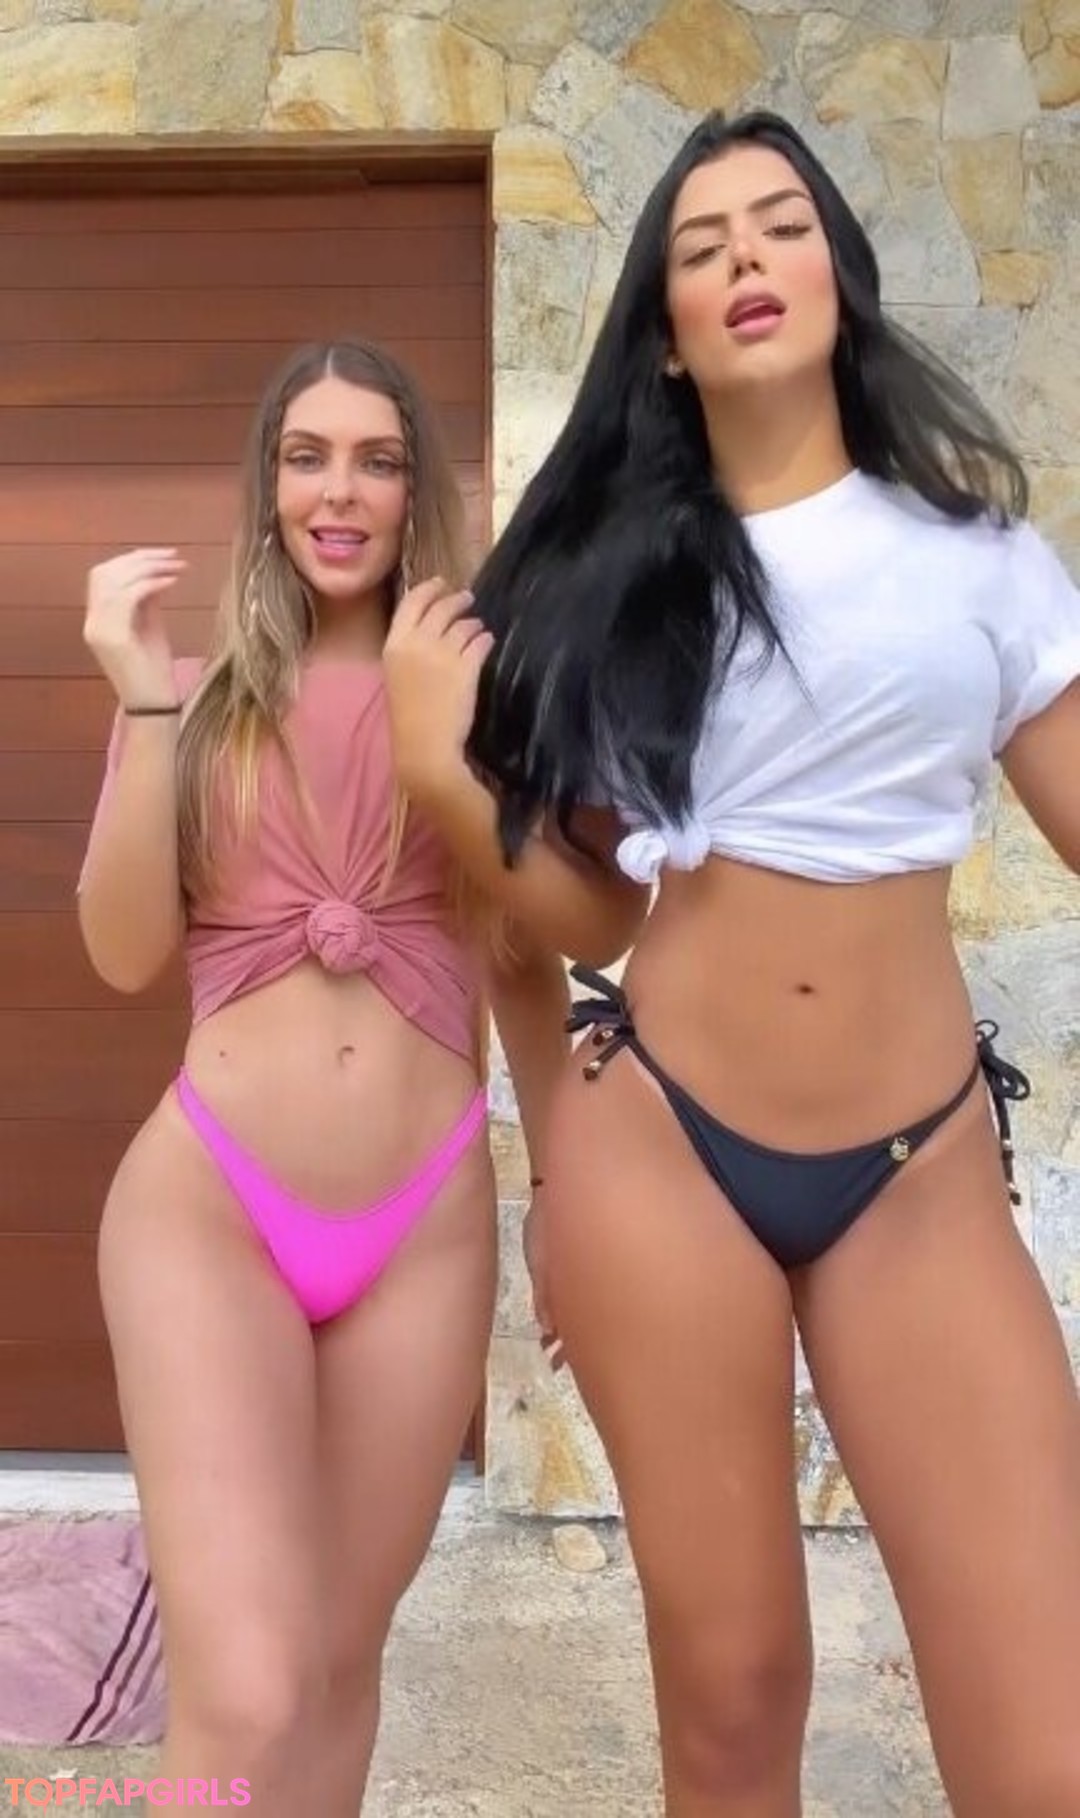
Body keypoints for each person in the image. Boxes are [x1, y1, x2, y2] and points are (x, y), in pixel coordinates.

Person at [382, 111, 1080, 1817]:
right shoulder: (625, 587)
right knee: (735, 1694)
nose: (747, 258)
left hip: (917, 1165)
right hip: (667, 1151)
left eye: (780, 226)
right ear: (670, 340)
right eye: (702, 249)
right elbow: (591, 921)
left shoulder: (983, 559)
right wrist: (439, 769)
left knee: (1048, 1741)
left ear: (839, 274)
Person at [76, 339, 585, 1815]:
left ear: (416, 490)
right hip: (210, 1211)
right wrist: (141, 701)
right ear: (270, 484)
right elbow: (121, 950)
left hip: (423, 1228)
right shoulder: (191, 697)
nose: (340, 490)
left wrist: (564, 1197)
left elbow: (523, 962)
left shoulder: (478, 697)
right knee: (245, 1688)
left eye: (377, 459)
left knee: (341, 1663)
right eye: (308, 457)